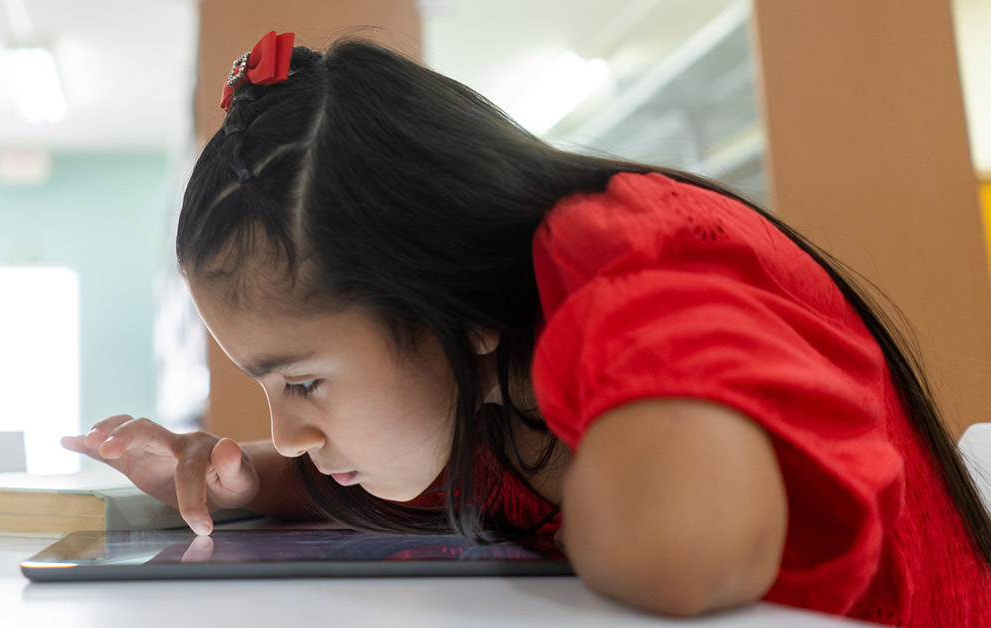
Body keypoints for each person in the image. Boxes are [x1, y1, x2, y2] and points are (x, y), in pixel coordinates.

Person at [62, 31, 991, 625]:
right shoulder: (490, 375)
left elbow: (676, 556)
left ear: (456, 306)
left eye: (303, 383)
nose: (289, 429)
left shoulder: (631, 256)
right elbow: (446, 469)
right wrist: (244, 481)